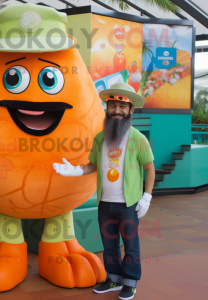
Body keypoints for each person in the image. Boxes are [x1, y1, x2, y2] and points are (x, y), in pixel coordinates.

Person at [53, 83, 155, 300]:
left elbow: (149, 167)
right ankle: (112, 278)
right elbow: (93, 165)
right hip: (105, 204)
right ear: (107, 108)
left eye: (122, 106)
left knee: (131, 246)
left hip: (128, 205)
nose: (116, 111)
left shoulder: (138, 138)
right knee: (109, 245)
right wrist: (74, 171)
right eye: (112, 106)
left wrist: (147, 197)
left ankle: (129, 283)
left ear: (130, 110)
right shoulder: (100, 138)